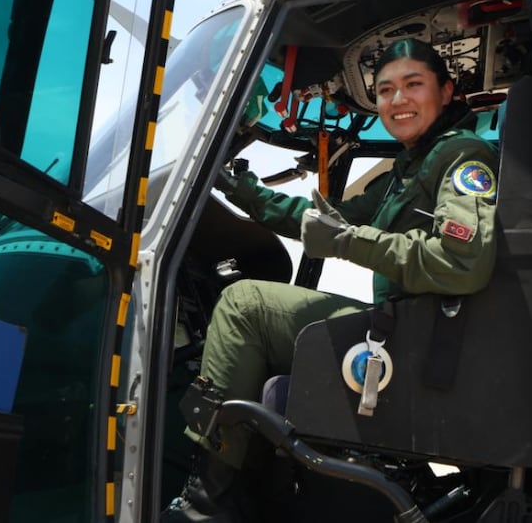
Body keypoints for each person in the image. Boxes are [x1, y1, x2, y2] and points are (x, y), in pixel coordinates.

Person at [162, 38, 499, 522]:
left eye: (413, 85)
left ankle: (207, 504)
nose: (397, 100)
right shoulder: (409, 171)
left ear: (446, 92)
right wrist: (245, 191)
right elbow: (328, 218)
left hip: (425, 341)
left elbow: (462, 264)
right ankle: (249, 486)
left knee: (244, 305)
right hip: (410, 329)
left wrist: (347, 241)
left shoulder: (463, 157)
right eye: (385, 90)